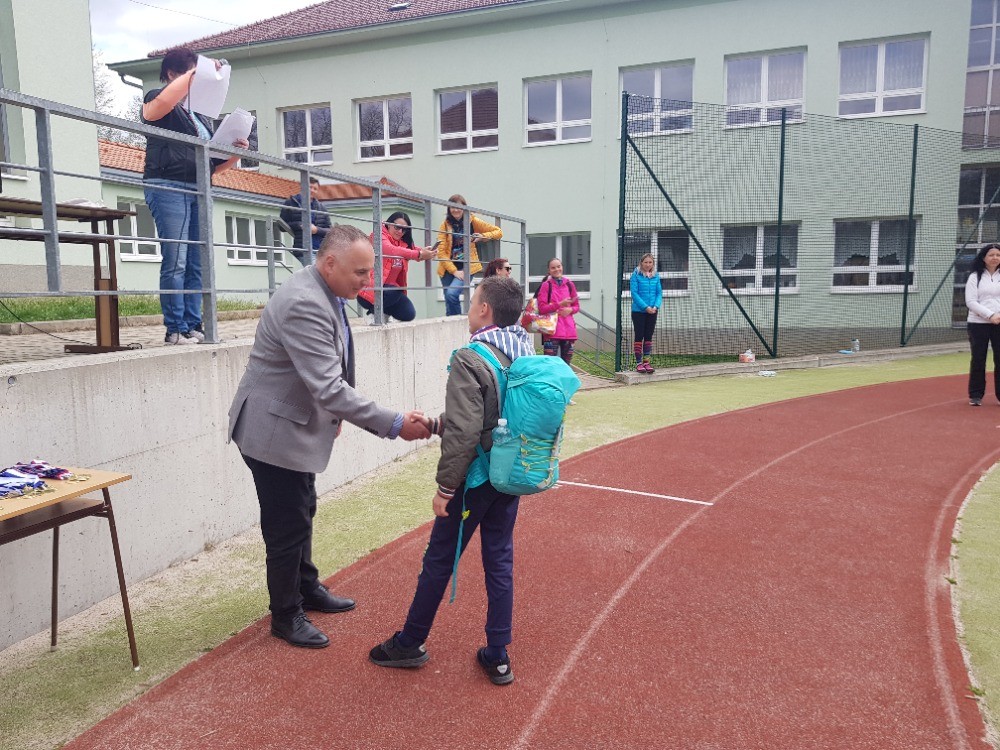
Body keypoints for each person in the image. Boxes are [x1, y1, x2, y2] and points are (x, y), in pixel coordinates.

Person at [228, 224, 431, 649]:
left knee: (304, 507)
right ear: (330, 263)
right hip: (272, 431)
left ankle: (306, 587)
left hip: (290, 422)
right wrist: (394, 423)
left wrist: (335, 417)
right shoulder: (304, 302)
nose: (368, 280)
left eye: (369, 271)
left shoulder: (327, 290)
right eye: (360, 272)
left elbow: (333, 370)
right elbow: (328, 386)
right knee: (287, 525)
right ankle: (286, 614)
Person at [369, 275, 534, 684]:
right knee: (500, 560)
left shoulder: (470, 357)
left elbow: (466, 431)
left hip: (473, 479)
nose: (469, 307)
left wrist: (445, 488)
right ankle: (498, 654)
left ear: (484, 310)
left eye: (473, 300)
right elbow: (491, 416)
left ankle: (410, 642)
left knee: (440, 558)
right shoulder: (524, 350)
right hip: (508, 474)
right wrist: (435, 424)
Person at [141, 47, 249, 346]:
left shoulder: (199, 116)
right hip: (168, 186)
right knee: (176, 259)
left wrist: (234, 152)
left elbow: (212, 166)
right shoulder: (157, 97)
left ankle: (192, 324)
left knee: (196, 262)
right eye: (195, 76)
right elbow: (153, 111)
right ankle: (174, 329)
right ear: (173, 74)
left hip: (199, 188)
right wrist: (194, 73)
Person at [357, 212, 435, 322]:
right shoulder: (378, 236)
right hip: (369, 290)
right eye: (397, 227)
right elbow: (391, 250)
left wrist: (426, 252)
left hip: (391, 293)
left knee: (408, 314)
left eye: (404, 229)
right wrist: (419, 254)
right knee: (396, 289)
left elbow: (411, 251)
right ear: (389, 224)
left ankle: (384, 312)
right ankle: (374, 313)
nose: (400, 232)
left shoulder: (402, 242)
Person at [436, 194, 503, 316]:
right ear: (449, 209)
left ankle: (458, 322)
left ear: (464, 207)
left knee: (451, 294)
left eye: (458, 207)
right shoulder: (445, 225)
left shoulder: (472, 221)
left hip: (467, 267)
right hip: (448, 269)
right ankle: (453, 324)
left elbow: (498, 232)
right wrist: (454, 271)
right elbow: (441, 252)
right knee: (449, 302)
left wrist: (482, 236)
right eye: (452, 207)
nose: (456, 210)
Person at [965, 242, 1000, 406]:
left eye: (998, 255)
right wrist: (990, 315)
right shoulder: (975, 277)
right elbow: (971, 301)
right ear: (984, 258)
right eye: (991, 255)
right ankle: (976, 395)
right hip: (978, 323)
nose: (995, 258)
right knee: (978, 358)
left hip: (999, 322)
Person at [279, 177, 331, 266]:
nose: (312, 190)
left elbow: (330, 231)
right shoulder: (291, 203)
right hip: (303, 249)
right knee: (316, 270)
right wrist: (299, 225)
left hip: (320, 250)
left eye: (315, 189)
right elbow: (281, 225)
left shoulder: (321, 207)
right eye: (310, 187)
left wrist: (316, 230)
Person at [537, 258, 579, 365]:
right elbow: (542, 308)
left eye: (558, 266)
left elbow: (576, 306)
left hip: (569, 331)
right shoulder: (546, 285)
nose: (556, 269)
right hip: (551, 331)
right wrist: (559, 304)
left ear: (562, 267)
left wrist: (570, 309)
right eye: (553, 268)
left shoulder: (569, 284)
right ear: (549, 270)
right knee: (550, 365)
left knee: (566, 365)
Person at [630, 253, 661, 373]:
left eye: (650, 262)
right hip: (638, 312)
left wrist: (655, 306)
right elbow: (634, 293)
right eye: (646, 262)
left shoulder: (656, 276)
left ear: (653, 264)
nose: (648, 265)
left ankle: (646, 363)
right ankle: (639, 363)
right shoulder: (635, 275)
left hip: (653, 311)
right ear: (641, 263)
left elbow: (659, 293)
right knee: (639, 336)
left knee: (648, 336)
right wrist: (645, 307)